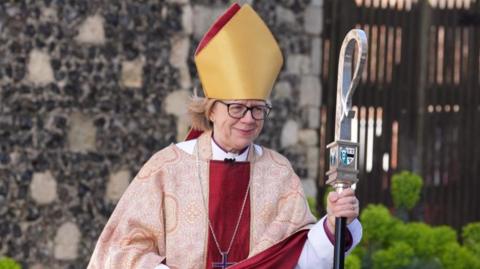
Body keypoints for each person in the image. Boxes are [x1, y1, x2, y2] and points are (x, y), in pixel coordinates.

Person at [87, 3, 362, 269]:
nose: (248, 119)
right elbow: (121, 250)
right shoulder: (168, 168)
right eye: (237, 107)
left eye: (257, 109)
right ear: (211, 110)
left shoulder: (278, 173)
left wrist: (332, 224)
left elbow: (297, 258)